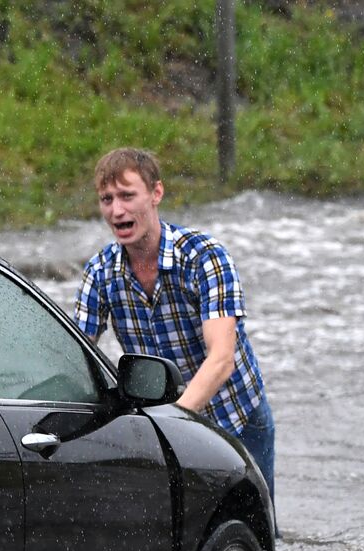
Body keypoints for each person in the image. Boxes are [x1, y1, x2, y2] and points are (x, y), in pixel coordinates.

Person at [75, 147, 275, 500]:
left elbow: (222, 359)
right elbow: (77, 355)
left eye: (127, 196)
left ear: (156, 194)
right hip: (166, 428)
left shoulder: (204, 256)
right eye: (107, 199)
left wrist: (170, 423)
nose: (116, 210)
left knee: (252, 534)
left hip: (237, 418)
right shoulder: (101, 272)